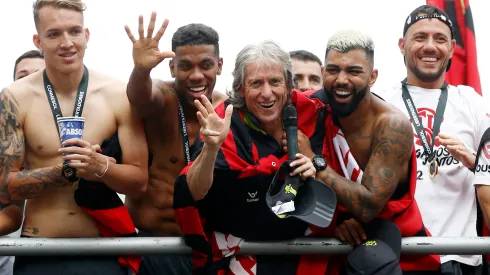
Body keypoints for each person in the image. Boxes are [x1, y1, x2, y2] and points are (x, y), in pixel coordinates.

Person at [0, 0, 148, 274]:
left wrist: (100, 167)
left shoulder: (117, 94)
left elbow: (139, 182)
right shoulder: (14, 98)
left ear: (86, 35)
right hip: (39, 249)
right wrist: (64, 172)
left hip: (101, 248)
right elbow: (6, 187)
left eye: (74, 31)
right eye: (54, 34)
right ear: (38, 40)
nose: (67, 42)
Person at [173, 40, 327, 274]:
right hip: (239, 255)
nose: (267, 93)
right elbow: (192, 191)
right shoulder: (223, 121)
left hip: (306, 255)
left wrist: (314, 163)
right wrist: (212, 148)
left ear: (287, 85)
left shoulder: (312, 113)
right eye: (256, 83)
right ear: (241, 89)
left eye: (275, 82)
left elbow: (337, 170)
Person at [294, 29, 440, 274]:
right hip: (335, 243)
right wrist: (335, 221)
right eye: (333, 70)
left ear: (372, 77)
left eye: (353, 71)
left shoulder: (391, 124)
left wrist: (315, 162)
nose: (341, 79)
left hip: (395, 249)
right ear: (322, 73)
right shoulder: (310, 107)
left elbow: (367, 206)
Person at [377, 4, 490, 274]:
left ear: (451, 48)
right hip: (397, 256)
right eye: (420, 37)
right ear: (402, 45)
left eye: (439, 39)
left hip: (461, 258)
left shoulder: (472, 102)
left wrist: (476, 163)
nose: (430, 46)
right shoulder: (379, 102)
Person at [123, 12, 227, 275]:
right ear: (172, 67)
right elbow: (140, 97)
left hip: (210, 249)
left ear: (220, 65)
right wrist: (141, 69)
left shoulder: (229, 111)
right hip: (154, 243)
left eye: (206, 65)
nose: (196, 75)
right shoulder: (163, 98)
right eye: (185, 66)